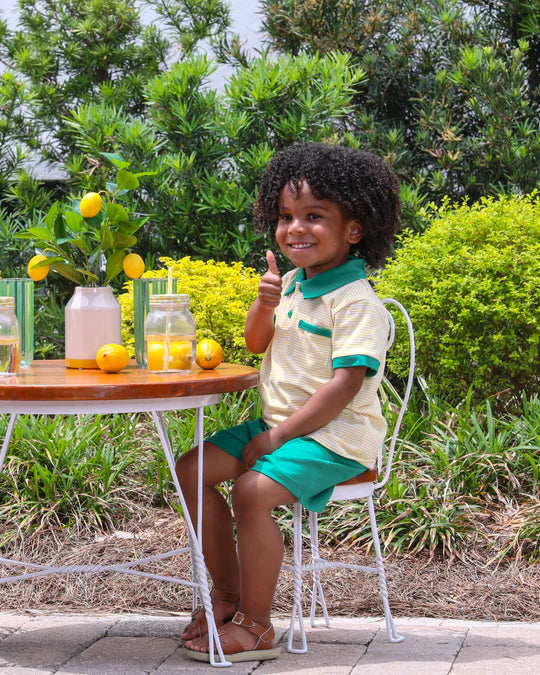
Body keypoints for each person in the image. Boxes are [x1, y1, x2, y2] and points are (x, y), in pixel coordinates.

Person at [178, 141, 401, 663]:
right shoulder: (296, 284)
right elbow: (257, 344)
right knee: (192, 469)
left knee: (252, 492)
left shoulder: (355, 301)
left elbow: (344, 387)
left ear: (354, 229)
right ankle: (227, 595)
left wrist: (277, 437)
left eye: (313, 216)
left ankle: (256, 625)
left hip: (336, 436)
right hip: (280, 424)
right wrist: (264, 304)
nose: (295, 228)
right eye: (285, 216)